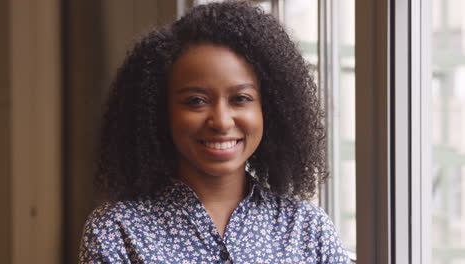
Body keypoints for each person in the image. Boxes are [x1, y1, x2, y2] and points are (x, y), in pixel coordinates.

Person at [79, 1, 350, 263]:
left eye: (241, 98)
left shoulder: (308, 230)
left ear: (270, 109)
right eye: (196, 100)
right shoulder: (117, 231)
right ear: (158, 111)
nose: (221, 121)